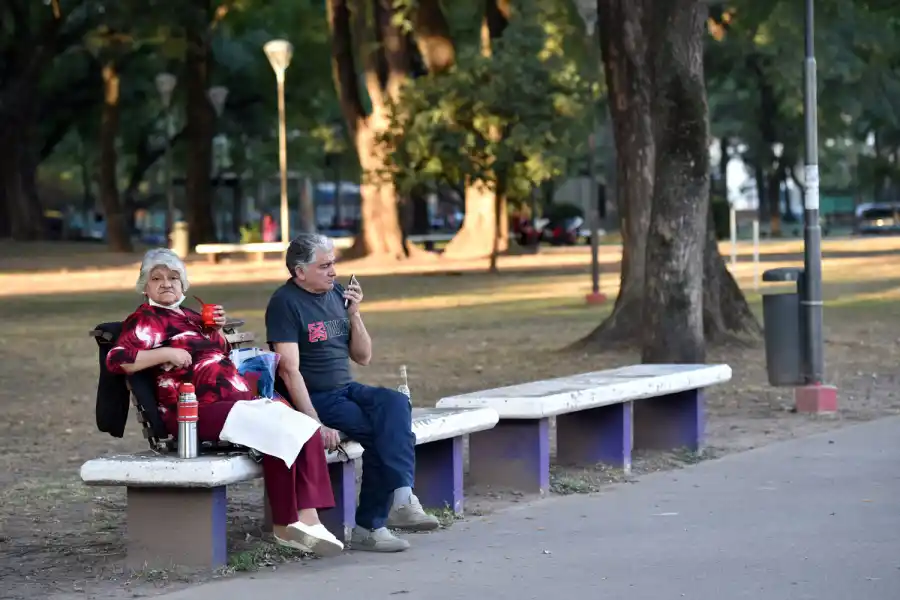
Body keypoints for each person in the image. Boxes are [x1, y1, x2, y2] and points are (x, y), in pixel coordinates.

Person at [105, 248, 343, 557]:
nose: (166, 283)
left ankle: (307, 520)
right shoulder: (145, 320)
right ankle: (286, 526)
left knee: (304, 427)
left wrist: (215, 329)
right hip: (193, 409)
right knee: (277, 430)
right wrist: (165, 354)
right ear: (145, 286)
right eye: (157, 278)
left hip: (236, 400)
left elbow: (218, 351)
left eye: (174, 278)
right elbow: (117, 359)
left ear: (184, 285)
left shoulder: (189, 316)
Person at [266, 233, 439, 553]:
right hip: (315, 397)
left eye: (334, 264)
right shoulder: (284, 303)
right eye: (325, 266)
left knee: (396, 402)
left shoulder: (335, 293)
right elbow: (289, 370)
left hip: (346, 389)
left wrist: (355, 313)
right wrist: (313, 421)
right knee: (381, 432)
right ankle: (371, 526)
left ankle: (402, 497)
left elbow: (363, 357)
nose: (334, 272)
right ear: (300, 272)